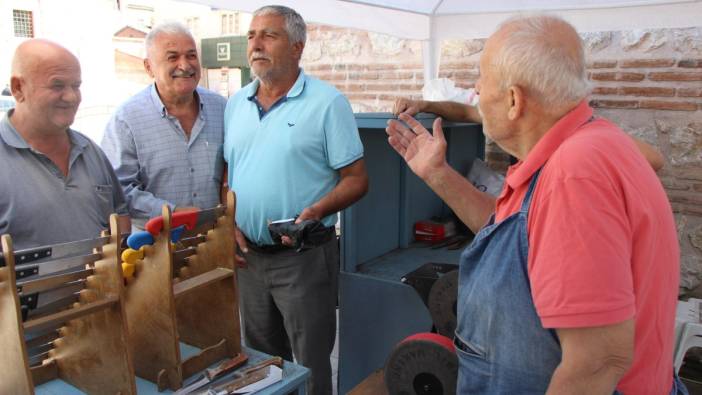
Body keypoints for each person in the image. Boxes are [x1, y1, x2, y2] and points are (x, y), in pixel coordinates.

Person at [386, 15, 683, 394]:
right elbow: (512, 237)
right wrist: (437, 173)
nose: (476, 90)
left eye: (481, 79)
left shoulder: (573, 176)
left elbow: (597, 363)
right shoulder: (583, 146)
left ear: (514, 100)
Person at [223, 5, 368, 395]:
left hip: (304, 259)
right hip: (249, 260)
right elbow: (229, 173)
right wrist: (230, 220)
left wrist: (318, 210)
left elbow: (357, 180)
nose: (256, 44)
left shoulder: (327, 103)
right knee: (262, 367)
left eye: (268, 35)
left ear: (297, 46)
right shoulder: (236, 104)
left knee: (310, 364)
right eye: (251, 35)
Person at [0, 39, 129, 250]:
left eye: (76, 86)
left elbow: (120, 216)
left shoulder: (90, 151)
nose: (71, 97)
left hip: (104, 284)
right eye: (57, 85)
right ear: (18, 88)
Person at [101, 22, 226, 229]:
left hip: (216, 240)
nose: (185, 65)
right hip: (155, 246)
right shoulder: (126, 120)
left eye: (191, 55)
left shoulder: (222, 108)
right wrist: (171, 212)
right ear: (149, 67)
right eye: (172, 57)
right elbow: (119, 189)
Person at [393, 95, 666, 172]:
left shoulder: (583, 135)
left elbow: (653, 159)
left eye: (486, 83)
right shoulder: (512, 120)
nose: (478, 90)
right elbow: (465, 113)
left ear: (516, 98)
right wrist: (426, 104)